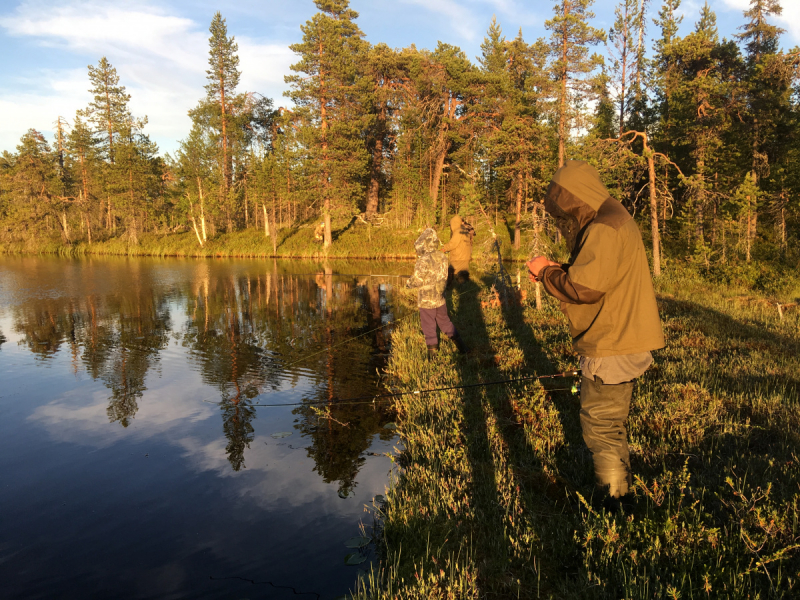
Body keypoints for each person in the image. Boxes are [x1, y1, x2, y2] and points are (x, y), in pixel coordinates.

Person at [526, 160, 665, 511]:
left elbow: (584, 287)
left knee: (601, 425)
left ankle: (614, 506)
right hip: (621, 338)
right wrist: (555, 271)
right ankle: (620, 494)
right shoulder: (612, 216)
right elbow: (596, 274)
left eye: (564, 209)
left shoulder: (604, 226)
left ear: (575, 199)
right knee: (611, 423)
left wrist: (545, 272)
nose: (564, 218)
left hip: (613, 343)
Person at [406, 228, 469, 357]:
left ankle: (432, 358)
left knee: (429, 327)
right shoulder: (442, 256)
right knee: (445, 322)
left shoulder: (423, 260)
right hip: (440, 299)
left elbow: (417, 280)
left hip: (426, 301)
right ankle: (463, 348)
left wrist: (408, 283)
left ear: (424, 242)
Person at [440, 215, 474, 285]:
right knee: (463, 274)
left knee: (451, 272)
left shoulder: (458, 231)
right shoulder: (465, 230)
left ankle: (449, 288)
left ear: (454, 223)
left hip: (458, 258)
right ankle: (464, 288)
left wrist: (444, 248)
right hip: (465, 257)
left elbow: (453, 244)